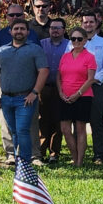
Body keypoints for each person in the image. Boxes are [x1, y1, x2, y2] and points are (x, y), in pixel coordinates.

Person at [0, 19, 49, 168]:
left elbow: (44, 71)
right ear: (10, 32)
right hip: (6, 99)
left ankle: (24, 162)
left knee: (23, 130)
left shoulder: (35, 49)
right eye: (16, 29)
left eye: (22, 29)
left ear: (28, 32)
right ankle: (18, 159)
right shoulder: (2, 50)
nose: (19, 31)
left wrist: (35, 92)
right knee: (14, 131)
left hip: (25, 99)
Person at [57, 27, 96, 167]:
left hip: (83, 96)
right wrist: (61, 92)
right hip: (65, 96)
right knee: (65, 130)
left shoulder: (90, 57)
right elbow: (58, 76)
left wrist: (78, 94)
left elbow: (91, 79)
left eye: (79, 39)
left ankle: (80, 161)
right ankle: (75, 157)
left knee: (80, 129)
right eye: (73, 39)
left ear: (85, 40)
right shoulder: (65, 56)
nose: (76, 41)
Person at [81, 10, 103, 163]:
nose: (88, 24)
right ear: (82, 24)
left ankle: (98, 154)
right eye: (85, 22)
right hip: (77, 86)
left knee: (97, 120)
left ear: (96, 23)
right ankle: (78, 153)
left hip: (95, 86)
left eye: (91, 22)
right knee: (78, 120)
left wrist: (93, 80)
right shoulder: (74, 41)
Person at [39, 18, 69, 163]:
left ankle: (54, 153)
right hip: (43, 87)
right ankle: (40, 151)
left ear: (64, 30)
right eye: (52, 28)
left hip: (62, 88)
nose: (55, 30)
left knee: (58, 121)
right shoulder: (41, 44)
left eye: (58, 28)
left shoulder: (70, 45)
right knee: (43, 120)